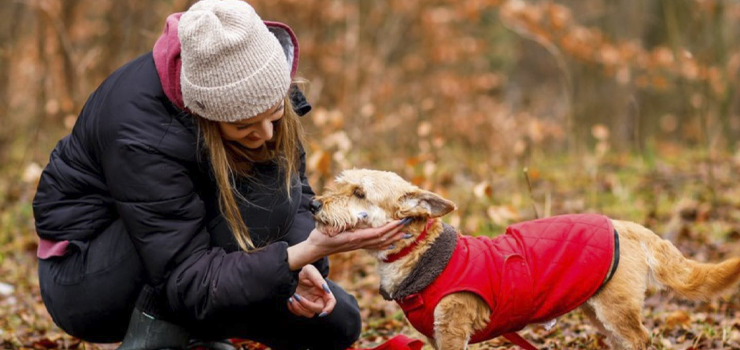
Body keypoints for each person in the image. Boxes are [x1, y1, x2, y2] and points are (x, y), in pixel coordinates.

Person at [31, 1, 410, 349]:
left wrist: (303, 267)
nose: (266, 134)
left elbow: (296, 195)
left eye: (275, 113)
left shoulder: (260, 80)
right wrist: (298, 254)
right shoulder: (138, 128)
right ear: (205, 115)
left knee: (337, 321)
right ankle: (158, 338)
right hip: (88, 277)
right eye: (245, 126)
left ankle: (200, 334)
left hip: (192, 254)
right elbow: (184, 273)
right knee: (260, 200)